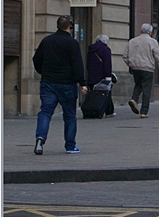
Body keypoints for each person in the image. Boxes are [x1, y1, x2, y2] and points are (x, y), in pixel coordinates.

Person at [32, 15, 88, 155]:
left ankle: (40, 138)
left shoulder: (47, 41)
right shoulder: (72, 43)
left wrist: (43, 71)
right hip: (67, 84)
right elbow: (77, 64)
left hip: (48, 82)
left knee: (45, 112)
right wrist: (82, 82)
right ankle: (70, 146)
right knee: (69, 116)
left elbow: (36, 59)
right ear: (70, 27)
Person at [125, 23, 159, 118]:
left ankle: (134, 99)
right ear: (150, 32)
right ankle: (144, 112)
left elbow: (124, 55)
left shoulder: (132, 41)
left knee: (138, 84)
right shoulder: (152, 42)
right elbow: (158, 56)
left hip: (135, 68)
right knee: (147, 89)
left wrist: (130, 63)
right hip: (147, 68)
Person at [86, 34, 115, 116]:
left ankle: (92, 110)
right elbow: (107, 64)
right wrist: (108, 76)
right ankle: (109, 111)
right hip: (102, 76)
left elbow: (88, 63)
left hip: (92, 75)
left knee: (93, 94)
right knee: (106, 93)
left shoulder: (91, 50)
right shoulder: (105, 49)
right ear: (105, 41)